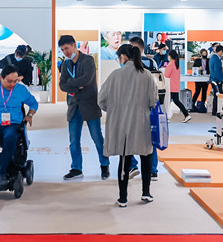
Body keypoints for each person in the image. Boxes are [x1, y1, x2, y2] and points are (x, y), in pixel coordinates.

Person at [99, 44, 159, 207]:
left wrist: (113, 109)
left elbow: (101, 99)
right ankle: (146, 192)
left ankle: (123, 198)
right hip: (142, 123)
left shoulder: (115, 75)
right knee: (146, 156)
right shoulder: (147, 75)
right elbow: (153, 101)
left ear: (123, 57)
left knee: (124, 159)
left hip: (121, 124)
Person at [58, 34, 110, 180]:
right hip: (73, 106)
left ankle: (104, 165)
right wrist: (75, 85)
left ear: (74, 45)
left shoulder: (88, 60)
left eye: (67, 48)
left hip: (89, 104)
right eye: (62, 50)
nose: (65, 52)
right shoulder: (65, 64)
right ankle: (76, 168)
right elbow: (62, 85)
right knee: (74, 141)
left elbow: (86, 80)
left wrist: (70, 83)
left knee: (97, 138)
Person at [127, 36, 160, 179]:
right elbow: (158, 84)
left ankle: (132, 165)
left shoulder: (128, 64)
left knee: (128, 136)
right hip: (149, 105)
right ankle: (152, 170)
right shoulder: (152, 62)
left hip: (132, 106)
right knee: (150, 138)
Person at [164, 50, 190, 122]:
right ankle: (186, 115)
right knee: (176, 101)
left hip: (170, 86)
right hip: (176, 86)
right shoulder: (177, 64)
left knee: (167, 103)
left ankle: (167, 117)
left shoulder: (170, 65)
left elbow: (166, 75)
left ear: (170, 56)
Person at [210, 44, 223, 116]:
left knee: (218, 95)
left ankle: (219, 109)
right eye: (222, 52)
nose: (222, 53)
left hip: (214, 79)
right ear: (220, 51)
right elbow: (216, 71)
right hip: (216, 80)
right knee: (218, 96)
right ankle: (216, 110)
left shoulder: (213, 58)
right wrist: (219, 80)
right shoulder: (216, 59)